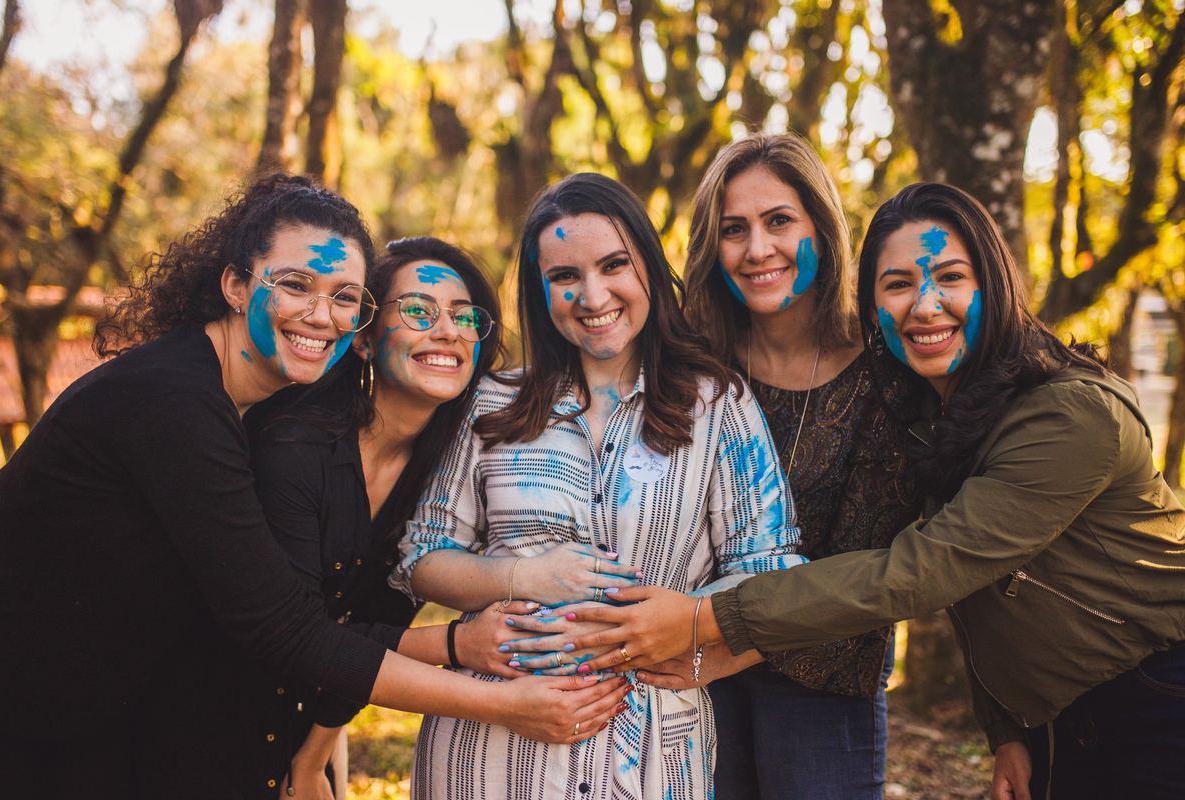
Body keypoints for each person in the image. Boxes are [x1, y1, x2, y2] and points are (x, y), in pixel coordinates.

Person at [0, 175, 627, 800]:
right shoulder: (178, 403)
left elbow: (354, 619)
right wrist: (496, 692)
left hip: (90, 720)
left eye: (345, 296)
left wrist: (313, 755)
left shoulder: (282, 417)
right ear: (235, 285)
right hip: (20, 712)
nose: (321, 315)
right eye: (295, 284)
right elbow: (284, 627)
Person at [568, 182, 1185, 800]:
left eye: (950, 277)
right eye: (897, 285)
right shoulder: (940, 410)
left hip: (1156, 695)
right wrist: (1010, 730)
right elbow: (986, 596)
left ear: (994, 284)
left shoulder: (1070, 416)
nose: (925, 305)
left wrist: (707, 618)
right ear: (871, 306)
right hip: (1064, 717)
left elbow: (926, 569)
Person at [390, 172, 805, 800]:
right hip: (490, 752)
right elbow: (421, 557)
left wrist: (685, 625)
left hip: (653, 753)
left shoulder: (717, 404)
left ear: (648, 267)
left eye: (614, 265)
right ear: (540, 291)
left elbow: (771, 570)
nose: (592, 295)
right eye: (565, 276)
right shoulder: (491, 403)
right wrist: (522, 577)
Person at [132, 236, 542, 799]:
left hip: (297, 732)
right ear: (365, 339)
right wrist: (458, 644)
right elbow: (303, 636)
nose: (448, 330)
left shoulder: (442, 483)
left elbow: (371, 631)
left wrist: (311, 761)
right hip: (194, 721)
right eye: (419, 311)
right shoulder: (293, 448)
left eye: (465, 316)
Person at [672, 132, 921, 799]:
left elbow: (864, 567)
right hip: (690, 670)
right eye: (734, 229)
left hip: (825, 678)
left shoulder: (885, 371)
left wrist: (722, 642)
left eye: (779, 220)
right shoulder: (690, 363)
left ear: (822, 229)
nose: (758, 249)